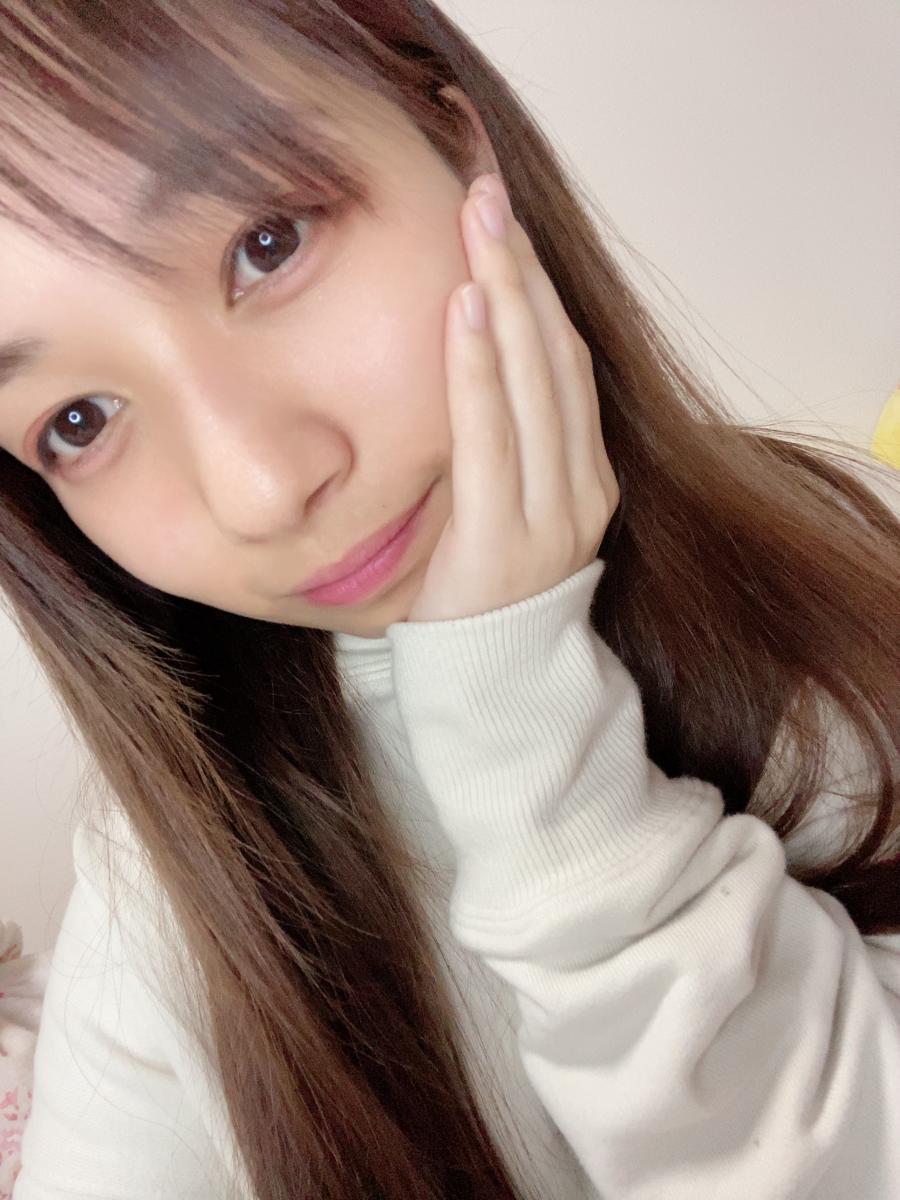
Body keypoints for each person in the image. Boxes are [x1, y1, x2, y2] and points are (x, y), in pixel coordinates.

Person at [1, 2, 897, 1198]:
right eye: (78, 422)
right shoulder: (166, 890)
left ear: (459, 141)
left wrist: (541, 757)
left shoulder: (841, 576)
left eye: (267, 245)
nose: (261, 486)